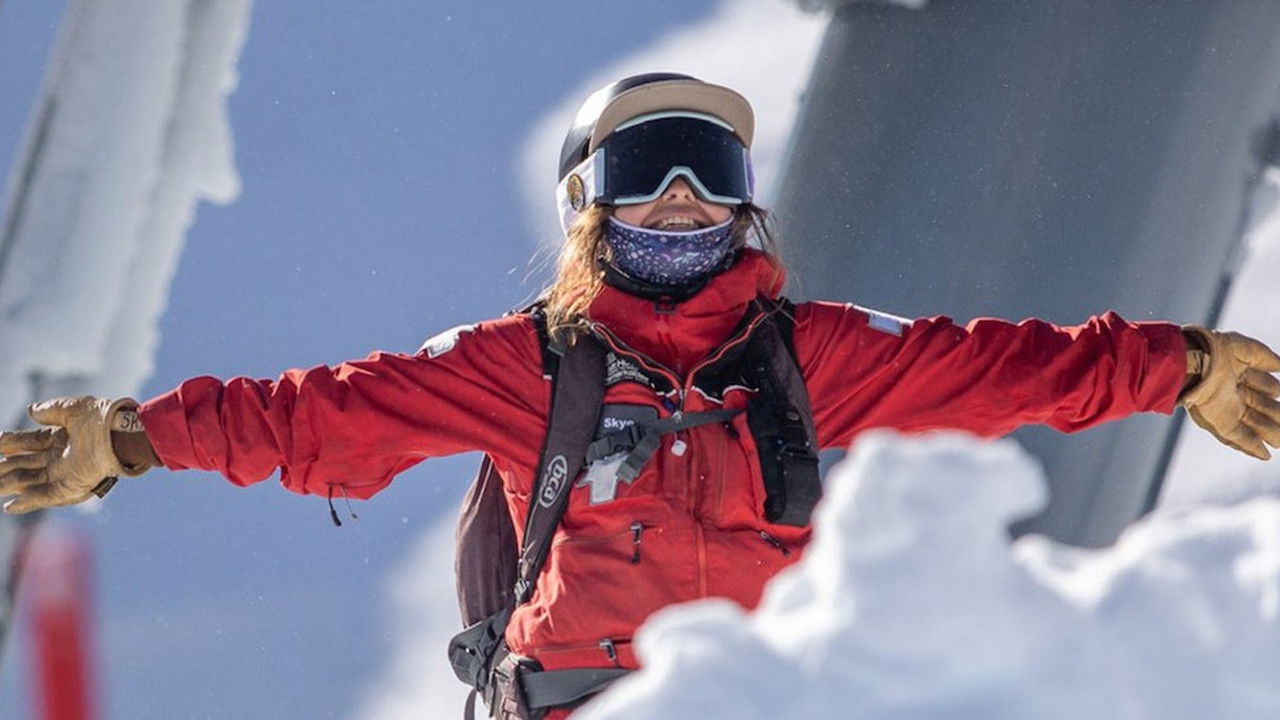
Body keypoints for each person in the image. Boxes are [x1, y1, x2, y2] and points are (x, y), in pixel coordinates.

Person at [2, 73, 1280, 719]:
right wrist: (129, 439)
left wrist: (1179, 365)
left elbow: (1000, 367)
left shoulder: (809, 353)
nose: (682, 201)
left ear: (745, 198)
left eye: (708, 168)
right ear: (588, 207)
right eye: (648, 169)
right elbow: (320, 412)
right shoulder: (527, 364)